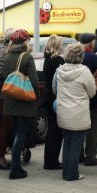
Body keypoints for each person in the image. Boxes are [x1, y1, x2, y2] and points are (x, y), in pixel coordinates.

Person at [53, 43, 96, 181]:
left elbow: (54, 89)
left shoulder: (59, 71)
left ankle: (66, 172)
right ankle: (72, 174)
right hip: (79, 112)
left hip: (63, 111)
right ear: (81, 56)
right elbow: (92, 92)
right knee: (76, 144)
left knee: (67, 142)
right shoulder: (85, 71)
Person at [1, 29, 38, 180]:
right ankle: (15, 168)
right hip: (25, 102)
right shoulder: (27, 57)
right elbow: (34, 81)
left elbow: (4, 76)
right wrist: (36, 97)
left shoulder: (7, 56)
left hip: (11, 101)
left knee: (17, 133)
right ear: (25, 42)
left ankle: (15, 166)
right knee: (21, 136)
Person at [78, 33, 97, 166]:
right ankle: (90, 156)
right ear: (92, 44)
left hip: (77, 99)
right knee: (93, 129)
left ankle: (78, 154)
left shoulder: (74, 57)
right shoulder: (96, 59)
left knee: (78, 128)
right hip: (93, 99)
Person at [0, 28, 15, 170]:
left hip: (5, 92)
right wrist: (12, 77)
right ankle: (0, 155)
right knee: (5, 124)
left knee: (8, 123)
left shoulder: (5, 50)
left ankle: (4, 151)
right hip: (3, 93)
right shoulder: (3, 51)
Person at [42, 35, 65, 170]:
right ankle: (52, 161)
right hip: (54, 97)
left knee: (52, 129)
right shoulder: (57, 60)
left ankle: (50, 160)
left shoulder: (47, 59)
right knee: (55, 131)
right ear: (57, 45)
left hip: (48, 97)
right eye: (61, 44)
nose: (63, 46)